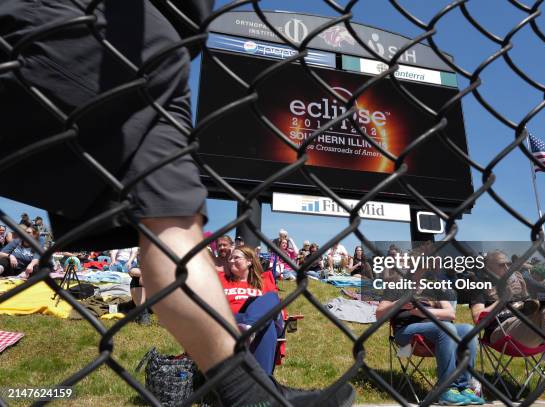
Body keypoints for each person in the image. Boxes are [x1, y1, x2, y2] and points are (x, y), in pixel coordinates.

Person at [0, 2, 355, 405]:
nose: (232, 257)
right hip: (122, 33)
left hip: (163, 63)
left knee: (172, 218)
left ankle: (249, 394)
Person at [470, 251, 545, 404]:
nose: (508, 267)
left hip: (528, 321)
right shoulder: (481, 287)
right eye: (502, 265)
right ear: (488, 268)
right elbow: (477, 317)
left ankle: (542, 303)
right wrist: (503, 299)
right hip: (502, 331)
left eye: (509, 264)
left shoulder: (513, 283)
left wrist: (524, 293)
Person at [376, 266, 484, 406]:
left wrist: (422, 312)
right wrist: (399, 303)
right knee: (446, 328)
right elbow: (379, 314)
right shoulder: (397, 286)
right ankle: (447, 390)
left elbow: (450, 313)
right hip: (408, 332)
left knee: (468, 330)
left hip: (441, 331)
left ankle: (465, 387)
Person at [218, 246, 281, 375]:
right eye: (230, 258)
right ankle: (264, 383)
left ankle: (249, 327)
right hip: (230, 320)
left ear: (249, 261)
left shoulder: (263, 281)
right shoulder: (221, 280)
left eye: (236, 258)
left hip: (257, 321)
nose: (231, 261)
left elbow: (277, 306)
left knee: (271, 297)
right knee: (265, 322)